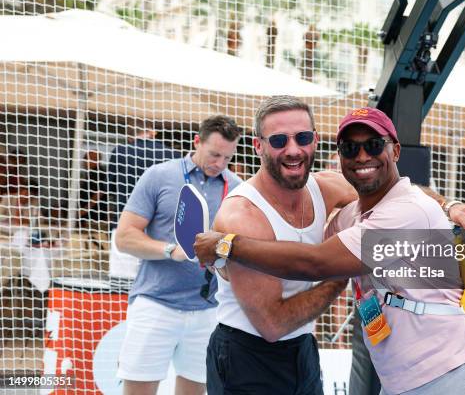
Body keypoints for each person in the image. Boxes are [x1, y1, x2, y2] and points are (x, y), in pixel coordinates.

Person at [195, 107, 465, 395]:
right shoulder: (350, 211)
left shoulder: (405, 210)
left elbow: (316, 263)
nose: (361, 157)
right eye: (350, 148)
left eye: (373, 145)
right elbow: (275, 318)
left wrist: (228, 246)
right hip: (399, 375)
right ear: (258, 146)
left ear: (396, 150)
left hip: (450, 369)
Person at [204, 95, 360, 394]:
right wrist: (344, 271)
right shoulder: (243, 214)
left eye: (302, 138)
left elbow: (391, 193)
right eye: (278, 140)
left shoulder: (324, 186)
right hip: (248, 356)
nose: (293, 150)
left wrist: (449, 207)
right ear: (258, 146)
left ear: (315, 140)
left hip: (302, 347)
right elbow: (272, 324)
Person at [115, 115, 242, 395]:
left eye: (227, 157)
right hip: (155, 302)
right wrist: (169, 250)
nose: (220, 163)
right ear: (197, 141)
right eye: (214, 154)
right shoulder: (159, 175)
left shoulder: (237, 188)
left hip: (209, 309)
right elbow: (124, 237)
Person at [107, 125, 181, 279]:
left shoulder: (120, 152)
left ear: (129, 136)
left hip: (125, 225)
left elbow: (110, 187)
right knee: (157, 283)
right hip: (161, 231)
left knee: (121, 284)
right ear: (153, 132)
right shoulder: (172, 154)